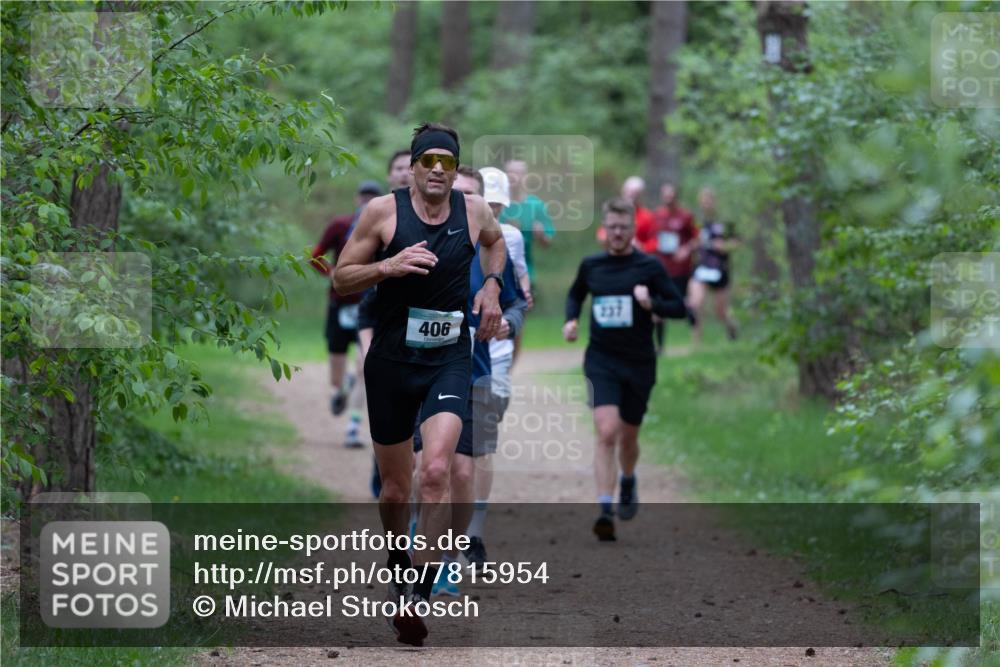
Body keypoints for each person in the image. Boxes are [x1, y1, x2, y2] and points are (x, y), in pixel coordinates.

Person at [333, 123, 506, 646]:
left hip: (449, 358)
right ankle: (395, 552)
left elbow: (495, 246)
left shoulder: (474, 211)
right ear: (411, 166)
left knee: (436, 470)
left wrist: (493, 286)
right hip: (390, 361)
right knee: (394, 487)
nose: (437, 169)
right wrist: (387, 266)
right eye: (428, 160)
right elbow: (341, 278)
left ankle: (415, 591)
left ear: (455, 171)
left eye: (447, 162)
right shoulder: (383, 213)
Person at [413, 164, 527, 596]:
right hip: (415, 371)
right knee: (426, 470)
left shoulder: (490, 252)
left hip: (471, 373)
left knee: (458, 473)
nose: (461, 202)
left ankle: (447, 554)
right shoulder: (413, 238)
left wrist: (506, 325)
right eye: (456, 193)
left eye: (470, 196)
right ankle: (423, 538)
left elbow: (517, 306)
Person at [563, 198, 688, 542]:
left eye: (624, 227)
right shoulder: (592, 265)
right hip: (601, 360)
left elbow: (679, 307)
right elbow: (575, 295)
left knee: (629, 436)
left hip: (639, 362)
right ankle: (605, 508)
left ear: (634, 230)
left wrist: (652, 303)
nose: (617, 233)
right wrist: (571, 320)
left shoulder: (649, 267)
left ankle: (628, 479)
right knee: (606, 431)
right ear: (605, 230)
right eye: (612, 227)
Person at [311, 180, 383, 448]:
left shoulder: (384, 226)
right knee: (337, 375)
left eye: (372, 197)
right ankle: (343, 387)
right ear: (357, 198)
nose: (367, 201)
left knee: (365, 366)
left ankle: (353, 428)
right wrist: (335, 275)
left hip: (370, 307)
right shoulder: (340, 225)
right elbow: (315, 256)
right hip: (339, 305)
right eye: (364, 196)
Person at [361, 149, 411, 497]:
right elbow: (349, 272)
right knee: (391, 420)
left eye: (411, 167)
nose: (406, 174)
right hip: (384, 329)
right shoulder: (378, 214)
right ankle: (384, 471)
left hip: (434, 343)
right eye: (399, 168)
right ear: (390, 174)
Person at [650, 183, 699, 352]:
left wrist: (686, 249)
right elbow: (651, 238)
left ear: (676, 196)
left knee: (685, 305)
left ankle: (696, 342)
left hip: (681, 270)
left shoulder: (686, 216)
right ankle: (660, 346)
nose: (668, 199)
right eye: (666, 196)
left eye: (671, 196)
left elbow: (696, 238)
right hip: (661, 269)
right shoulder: (656, 216)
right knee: (658, 306)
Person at [687, 187, 739, 343]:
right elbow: (689, 240)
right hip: (701, 267)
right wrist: (692, 246)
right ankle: (696, 341)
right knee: (695, 303)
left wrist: (724, 246)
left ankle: (732, 325)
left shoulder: (724, 221)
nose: (706, 204)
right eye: (703, 201)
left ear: (714, 202)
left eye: (709, 201)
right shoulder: (695, 221)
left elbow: (737, 242)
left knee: (720, 311)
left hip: (719, 269)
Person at [596, 176, 655, 251]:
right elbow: (602, 233)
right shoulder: (614, 211)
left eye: (636, 193)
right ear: (623, 191)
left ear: (641, 195)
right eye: (630, 192)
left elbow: (654, 241)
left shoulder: (647, 216)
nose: (632, 196)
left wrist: (641, 247)